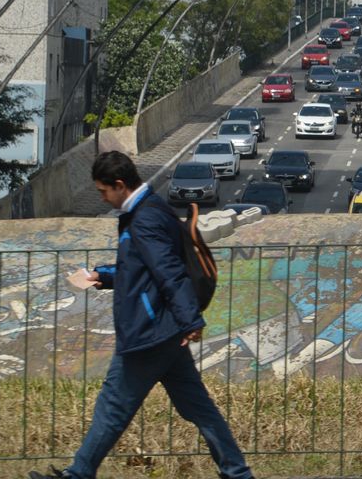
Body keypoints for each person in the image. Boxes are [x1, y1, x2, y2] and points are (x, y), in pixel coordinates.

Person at [31, 152, 251, 479]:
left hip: (149, 333)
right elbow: (140, 269)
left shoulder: (145, 218)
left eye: (103, 191)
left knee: (112, 407)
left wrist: (192, 320)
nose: (102, 197)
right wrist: (101, 276)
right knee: (199, 408)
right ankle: (237, 473)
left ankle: (77, 474)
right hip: (166, 332)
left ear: (120, 185)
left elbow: (169, 273)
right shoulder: (150, 210)